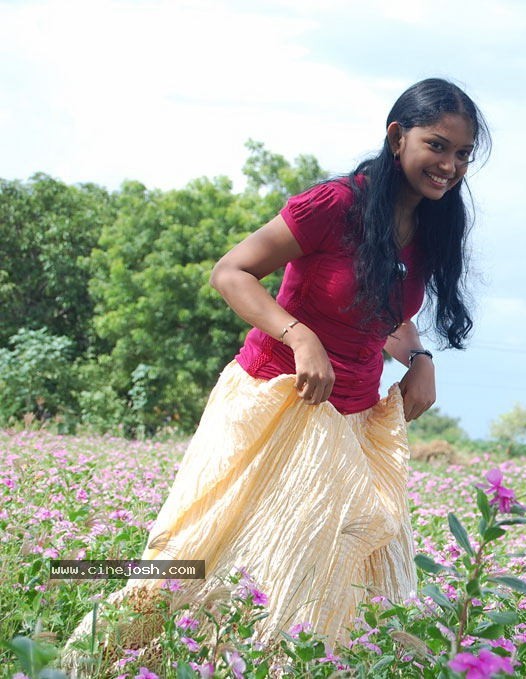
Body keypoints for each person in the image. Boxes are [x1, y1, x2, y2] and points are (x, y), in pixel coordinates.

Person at [61, 77, 489, 674]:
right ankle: (102, 662)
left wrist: (419, 359)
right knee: (203, 551)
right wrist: (299, 335)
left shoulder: (433, 226)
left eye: (463, 154)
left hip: (351, 419)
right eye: (437, 146)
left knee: (324, 572)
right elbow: (231, 272)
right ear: (397, 138)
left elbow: (385, 313)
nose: (449, 165)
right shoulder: (335, 205)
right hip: (274, 402)